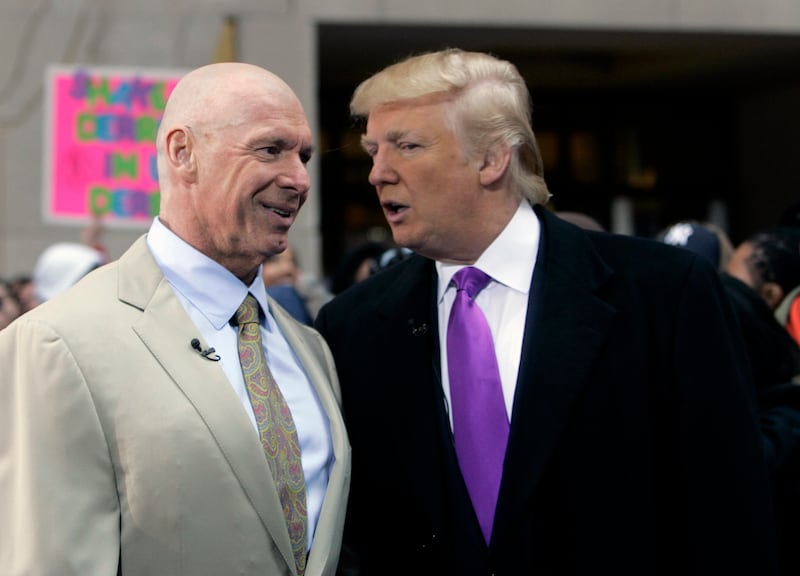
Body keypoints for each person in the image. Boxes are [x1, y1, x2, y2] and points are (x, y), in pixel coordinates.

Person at [313, 49, 779, 575]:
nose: (378, 174)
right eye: (373, 151)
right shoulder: (352, 325)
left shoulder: (663, 293)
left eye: (408, 146)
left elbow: (729, 510)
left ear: (492, 159)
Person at [0, 62, 350, 576]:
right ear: (183, 153)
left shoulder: (310, 349)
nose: (298, 179)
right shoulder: (56, 343)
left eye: (304, 155)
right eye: (270, 149)